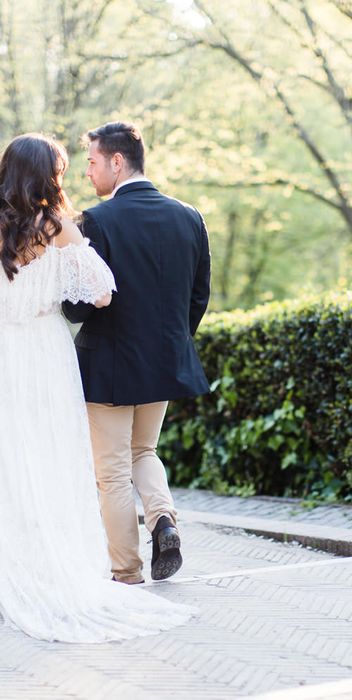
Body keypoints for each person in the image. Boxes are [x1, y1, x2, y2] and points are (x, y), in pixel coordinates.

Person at [0, 132, 194, 642]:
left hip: (9, 352)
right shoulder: (58, 227)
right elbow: (102, 291)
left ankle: (43, 569)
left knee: (15, 462)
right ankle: (116, 546)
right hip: (45, 355)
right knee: (56, 461)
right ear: (47, 176)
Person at [63, 121, 210, 584]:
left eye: (91, 161)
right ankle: (163, 519)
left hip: (108, 366)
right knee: (144, 450)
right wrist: (169, 342)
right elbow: (198, 295)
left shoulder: (97, 221)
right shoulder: (189, 216)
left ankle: (125, 571)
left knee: (111, 473)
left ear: (117, 161)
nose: (87, 172)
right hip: (163, 362)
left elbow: (78, 306)